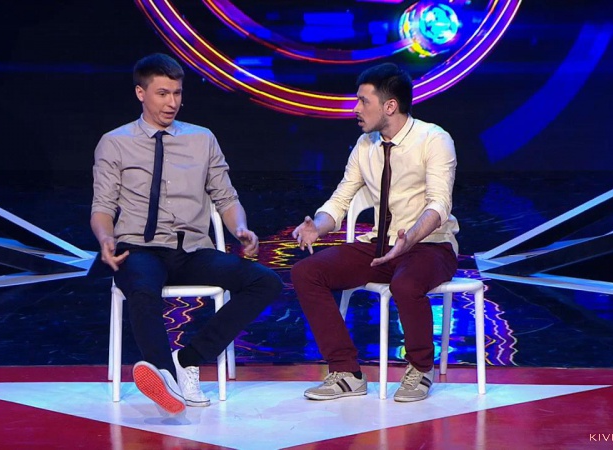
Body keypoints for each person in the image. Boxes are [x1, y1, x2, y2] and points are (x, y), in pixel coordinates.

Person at [90, 53, 282, 415]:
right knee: (142, 288)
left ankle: (188, 361)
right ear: (141, 93)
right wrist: (105, 238)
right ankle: (164, 377)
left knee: (265, 282)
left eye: (177, 93)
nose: (172, 102)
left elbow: (226, 198)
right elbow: (102, 206)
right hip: (140, 248)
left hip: (192, 249)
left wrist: (240, 228)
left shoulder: (202, 139)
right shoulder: (114, 142)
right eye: (162, 93)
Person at [290, 63, 459, 403]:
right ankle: (346, 372)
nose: (356, 109)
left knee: (405, 284)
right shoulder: (365, 145)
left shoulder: (434, 139)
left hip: (430, 246)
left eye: (363, 101)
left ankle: (420, 368)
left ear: (390, 106)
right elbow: (340, 200)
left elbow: (439, 204)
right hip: (380, 246)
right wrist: (317, 227)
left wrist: (409, 239)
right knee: (306, 272)